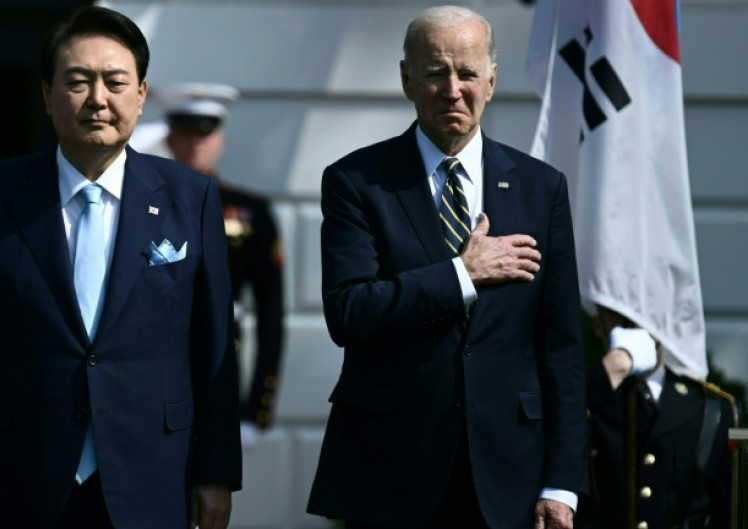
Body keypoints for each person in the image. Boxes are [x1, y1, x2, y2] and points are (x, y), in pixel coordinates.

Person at [0, 6, 241, 529]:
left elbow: (213, 346)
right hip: (22, 475)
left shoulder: (192, 198)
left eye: (115, 82)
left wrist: (217, 474)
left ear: (141, 96)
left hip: (154, 474)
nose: (98, 99)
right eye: (78, 81)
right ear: (47, 94)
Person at [307, 6, 587, 529]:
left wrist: (563, 482)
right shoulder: (356, 181)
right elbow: (348, 312)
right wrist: (462, 274)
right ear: (407, 79)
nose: (452, 88)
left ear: (493, 80)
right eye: (436, 72)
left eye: (468, 73)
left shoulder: (540, 187)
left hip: (511, 471)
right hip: (391, 469)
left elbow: (561, 347)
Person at [154, 82, 286, 446]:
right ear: (169, 139)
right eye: (185, 132)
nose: (196, 142)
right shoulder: (145, 206)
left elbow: (271, 313)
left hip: (224, 362)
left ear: (221, 139)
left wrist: (257, 407)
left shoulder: (251, 210)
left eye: (206, 131)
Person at [578, 306, 736, 529]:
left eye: (645, 311)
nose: (634, 324)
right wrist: (615, 366)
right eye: (618, 313)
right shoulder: (583, 398)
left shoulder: (711, 409)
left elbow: (727, 514)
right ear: (597, 324)